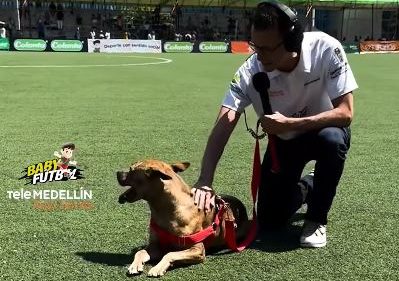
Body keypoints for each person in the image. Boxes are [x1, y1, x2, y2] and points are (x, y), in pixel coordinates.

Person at [191, 0, 357, 248]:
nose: (260, 56)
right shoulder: (250, 70)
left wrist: (291, 122)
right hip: (284, 143)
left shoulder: (326, 48)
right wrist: (205, 179)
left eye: (267, 49)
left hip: (324, 131)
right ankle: (309, 186)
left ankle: (316, 219)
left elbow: (345, 113)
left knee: (332, 141)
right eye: (255, 47)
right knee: (269, 220)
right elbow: (225, 122)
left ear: (291, 40)